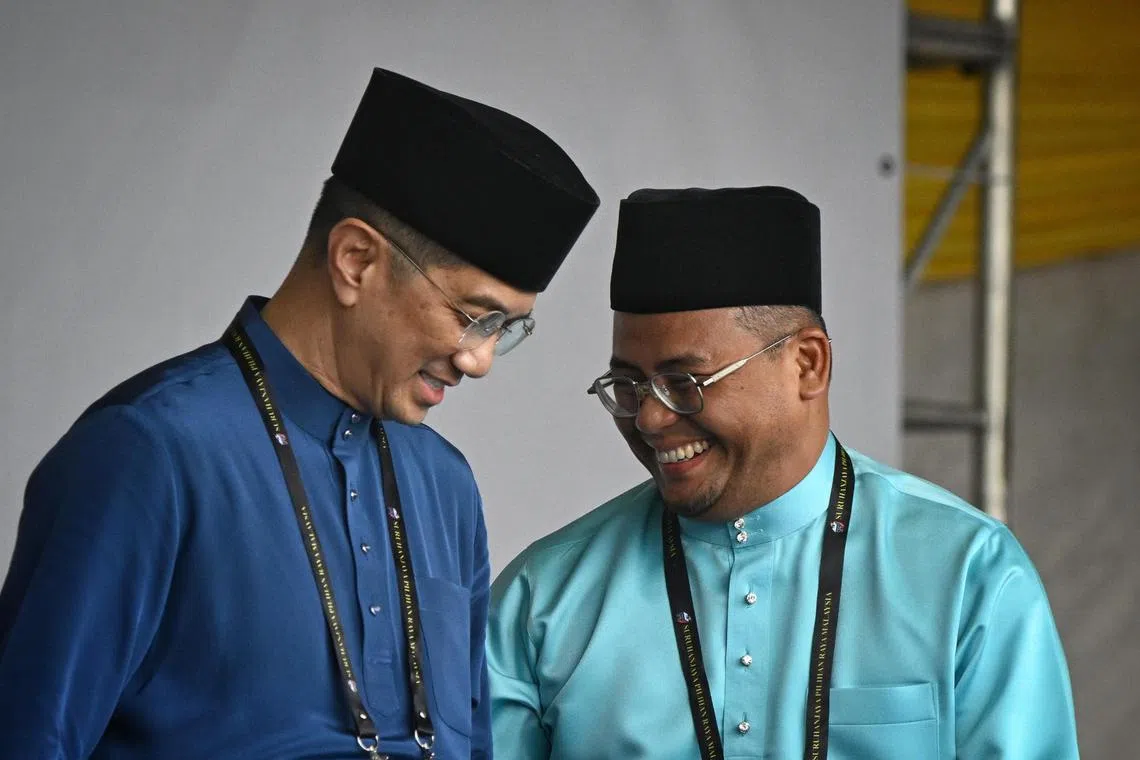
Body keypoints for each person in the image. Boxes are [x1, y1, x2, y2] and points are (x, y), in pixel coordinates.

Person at [0, 67, 598, 759]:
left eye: (506, 329)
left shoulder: (446, 485)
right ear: (354, 261)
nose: (479, 360)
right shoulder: (149, 452)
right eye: (472, 317)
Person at [487, 187, 1079, 759]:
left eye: (684, 383)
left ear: (807, 365)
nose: (649, 417)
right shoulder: (544, 601)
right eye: (630, 386)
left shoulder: (966, 575)